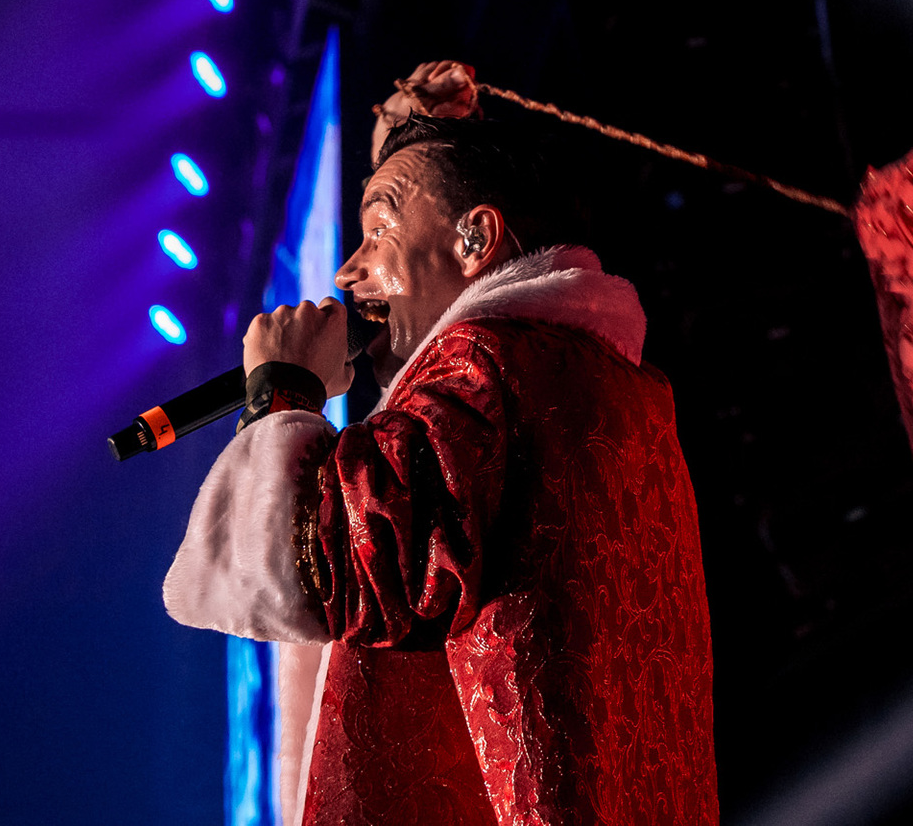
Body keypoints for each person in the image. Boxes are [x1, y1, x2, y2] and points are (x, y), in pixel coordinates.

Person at [163, 61, 719, 825]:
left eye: (376, 232)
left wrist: (283, 392)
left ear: (476, 239)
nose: (347, 272)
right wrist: (408, 146)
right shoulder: (600, 383)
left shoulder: (489, 366)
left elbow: (337, 566)